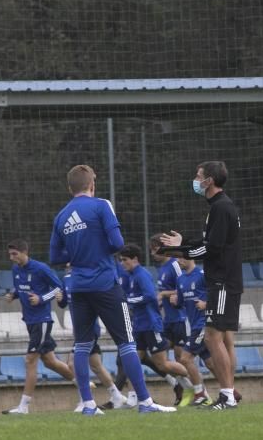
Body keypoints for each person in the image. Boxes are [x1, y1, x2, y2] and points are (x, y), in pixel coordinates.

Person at [49, 164, 175, 415]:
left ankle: (87, 404)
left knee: (82, 345)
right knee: (126, 342)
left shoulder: (62, 216)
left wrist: (77, 253)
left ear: (69, 187)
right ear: (92, 185)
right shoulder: (101, 205)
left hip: (78, 287)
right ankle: (145, 402)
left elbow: (55, 256)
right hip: (105, 283)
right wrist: (95, 248)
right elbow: (117, 243)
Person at [160, 160, 243, 411]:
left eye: (199, 176)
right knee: (213, 338)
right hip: (220, 282)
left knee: (213, 337)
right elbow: (209, 242)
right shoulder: (217, 207)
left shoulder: (221, 208)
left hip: (222, 283)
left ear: (209, 181)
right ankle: (227, 394)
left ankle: (227, 395)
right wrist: (183, 243)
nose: (195, 180)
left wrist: (180, 249)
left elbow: (211, 248)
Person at [2, 239, 82, 415]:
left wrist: (41, 299)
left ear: (24, 252)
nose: (11, 257)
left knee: (30, 360)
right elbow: (20, 288)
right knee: (50, 361)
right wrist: (13, 295)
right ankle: (83, 387)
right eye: (10, 254)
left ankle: (23, 407)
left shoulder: (41, 268)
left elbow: (59, 288)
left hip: (42, 320)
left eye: (14, 254)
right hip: (30, 321)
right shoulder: (16, 269)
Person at [118, 244, 195, 395]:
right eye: (120, 260)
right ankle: (134, 397)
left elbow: (149, 296)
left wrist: (128, 301)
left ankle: (197, 387)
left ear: (135, 259)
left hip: (150, 325)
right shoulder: (132, 275)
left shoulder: (142, 274)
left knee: (163, 364)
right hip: (139, 326)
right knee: (131, 362)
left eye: (124, 260)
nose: (122, 263)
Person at [150, 233, 194, 405]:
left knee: (180, 359)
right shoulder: (161, 269)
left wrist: (162, 294)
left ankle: (197, 391)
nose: (153, 254)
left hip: (181, 319)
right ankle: (188, 388)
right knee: (160, 359)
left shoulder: (175, 265)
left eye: (156, 250)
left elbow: (183, 288)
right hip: (167, 320)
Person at [173, 256, 215, 406]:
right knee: (211, 364)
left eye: (181, 257)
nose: (178, 261)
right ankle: (230, 391)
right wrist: (176, 301)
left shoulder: (203, 275)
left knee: (185, 358)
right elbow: (181, 303)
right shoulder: (180, 279)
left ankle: (200, 393)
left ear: (191, 257)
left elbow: (219, 294)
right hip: (193, 326)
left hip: (204, 324)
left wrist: (206, 304)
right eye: (177, 258)